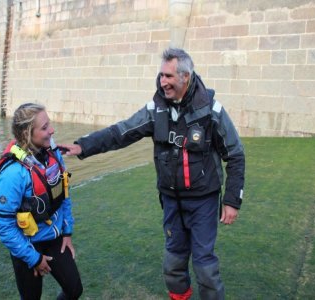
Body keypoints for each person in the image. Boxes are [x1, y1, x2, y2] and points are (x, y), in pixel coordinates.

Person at [58, 48, 245, 300]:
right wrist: (84, 146)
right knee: (173, 264)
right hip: (171, 201)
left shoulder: (212, 110)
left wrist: (232, 200)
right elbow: (121, 132)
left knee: (204, 266)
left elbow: (235, 154)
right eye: (161, 75)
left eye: (168, 76)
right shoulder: (155, 109)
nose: (162, 82)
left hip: (204, 201)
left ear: (185, 77)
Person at [0, 103, 83, 300]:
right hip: (26, 244)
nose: (51, 130)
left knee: (74, 289)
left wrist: (67, 231)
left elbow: (64, 194)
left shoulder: (53, 153)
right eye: (44, 128)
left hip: (54, 238)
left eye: (49, 124)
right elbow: (2, 225)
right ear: (26, 134)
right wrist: (33, 258)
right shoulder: (13, 173)